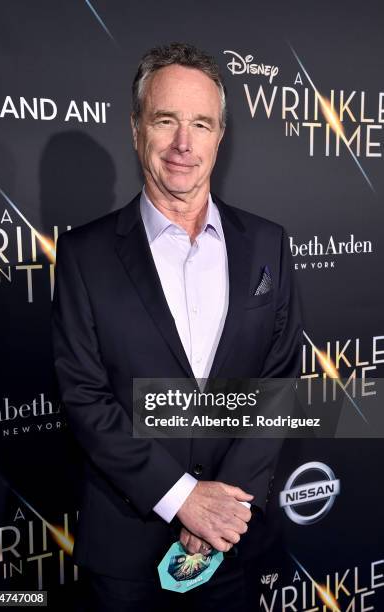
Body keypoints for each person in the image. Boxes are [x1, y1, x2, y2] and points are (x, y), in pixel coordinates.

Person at [51, 42, 302, 612]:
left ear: (220, 136)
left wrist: (223, 509)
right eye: (166, 121)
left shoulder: (267, 244)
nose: (183, 144)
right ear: (137, 129)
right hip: (124, 557)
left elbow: (280, 381)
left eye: (201, 123)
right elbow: (84, 397)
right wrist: (181, 497)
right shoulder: (85, 255)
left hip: (235, 548)